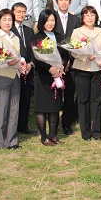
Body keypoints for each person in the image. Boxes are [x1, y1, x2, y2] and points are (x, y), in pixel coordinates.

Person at [70, 6, 101, 141]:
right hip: (82, 69)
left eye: (92, 15)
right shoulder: (77, 32)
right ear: (82, 17)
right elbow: (73, 51)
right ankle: (85, 132)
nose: (90, 17)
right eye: (87, 15)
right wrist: (86, 57)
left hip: (97, 70)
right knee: (83, 100)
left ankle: (96, 131)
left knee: (97, 101)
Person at [0, 9, 25, 150]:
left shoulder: (15, 38)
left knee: (14, 109)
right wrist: (6, 63)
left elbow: (19, 56)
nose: (7, 22)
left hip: (15, 75)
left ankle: (12, 141)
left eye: (10, 19)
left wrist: (22, 63)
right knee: (2, 110)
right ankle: (0, 142)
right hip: (2, 76)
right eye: (4, 19)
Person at [31, 9, 68, 146]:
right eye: (47, 20)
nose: (50, 23)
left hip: (57, 76)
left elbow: (65, 53)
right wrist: (49, 68)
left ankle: (53, 135)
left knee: (55, 105)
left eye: (52, 20)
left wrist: (62, 65)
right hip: (43, 76)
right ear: (42, 21)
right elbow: (36, 58)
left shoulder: (58, 36)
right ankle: (44, 136)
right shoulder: (36, 37)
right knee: (42, 107)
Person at [53, 0, 81, 135]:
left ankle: (67, 124)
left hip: (71, 63)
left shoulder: (76, 20)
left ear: (70, 3)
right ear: (56, 2)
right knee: (55, 95)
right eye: (61, 0)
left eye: (66, 0)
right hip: (54, 63)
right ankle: (53, 123)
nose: (64, 2)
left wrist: (69, 59)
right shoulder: (52, 19)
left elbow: (77, 42)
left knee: (69, 95)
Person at [10, 2, 36, 135]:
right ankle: (12, 127)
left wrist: (30, 64)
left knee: (26, 99)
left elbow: (33, 51)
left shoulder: (29, 30)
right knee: (14, 99)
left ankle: (23, 125)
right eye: (18, 11)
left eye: (23, 12)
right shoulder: (9, 31)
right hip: (14, 70)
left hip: (28, 70)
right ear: (12, 12)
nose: (21, 14)